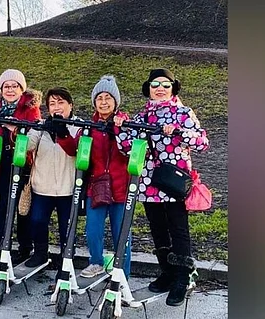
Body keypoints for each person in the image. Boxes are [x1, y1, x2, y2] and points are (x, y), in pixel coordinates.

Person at [114, 68, 209, 306]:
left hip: (174, 183)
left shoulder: (183, 112)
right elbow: (126, 147)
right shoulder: (141, 116)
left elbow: (202, 142)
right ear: (148, 89)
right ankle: (166, 272)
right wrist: (120, 127)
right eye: (155, 84)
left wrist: (179, 132)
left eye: (165, 85)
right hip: (148, 183)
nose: (160, 88)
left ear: (172, 88)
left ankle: (183, 278)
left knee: (178, 230)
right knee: (157, 229)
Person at [57, 75, 132, 279]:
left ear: (115, 102)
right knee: (93, 229)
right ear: (94, 102)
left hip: (121, 188)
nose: (104, 102)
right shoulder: (89, 128)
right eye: (100, 98)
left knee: (121, 234)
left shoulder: (126, 125)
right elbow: (75, 150)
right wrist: (62, 134)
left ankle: (122, 274)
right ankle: (96, 262)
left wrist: (119, 129)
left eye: (108, 97)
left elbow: (131, 149)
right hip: (97, 186)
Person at [0, 69, 42, 265]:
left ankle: (24, 247)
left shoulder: (30, 108)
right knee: (3, 205)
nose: (10, 89)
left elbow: (33, 135)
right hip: (1, 161)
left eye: (14, 86)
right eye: (7, 86)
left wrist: (15, 130)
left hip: (21, 161)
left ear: (21, 89)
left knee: (22, 206)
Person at [24, 87, 80, 269]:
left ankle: (66, 259)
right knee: (37, 221)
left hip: (68, 188)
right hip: (43, 187)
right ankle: (40, 253)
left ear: (70, 105)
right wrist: (22, 130)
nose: (57, 107)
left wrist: (63, 132)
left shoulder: (79, 126)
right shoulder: (41, 126)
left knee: (67, 228)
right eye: (52, 103)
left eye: (61, 102)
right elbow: (27, 146)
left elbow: (77, 152)